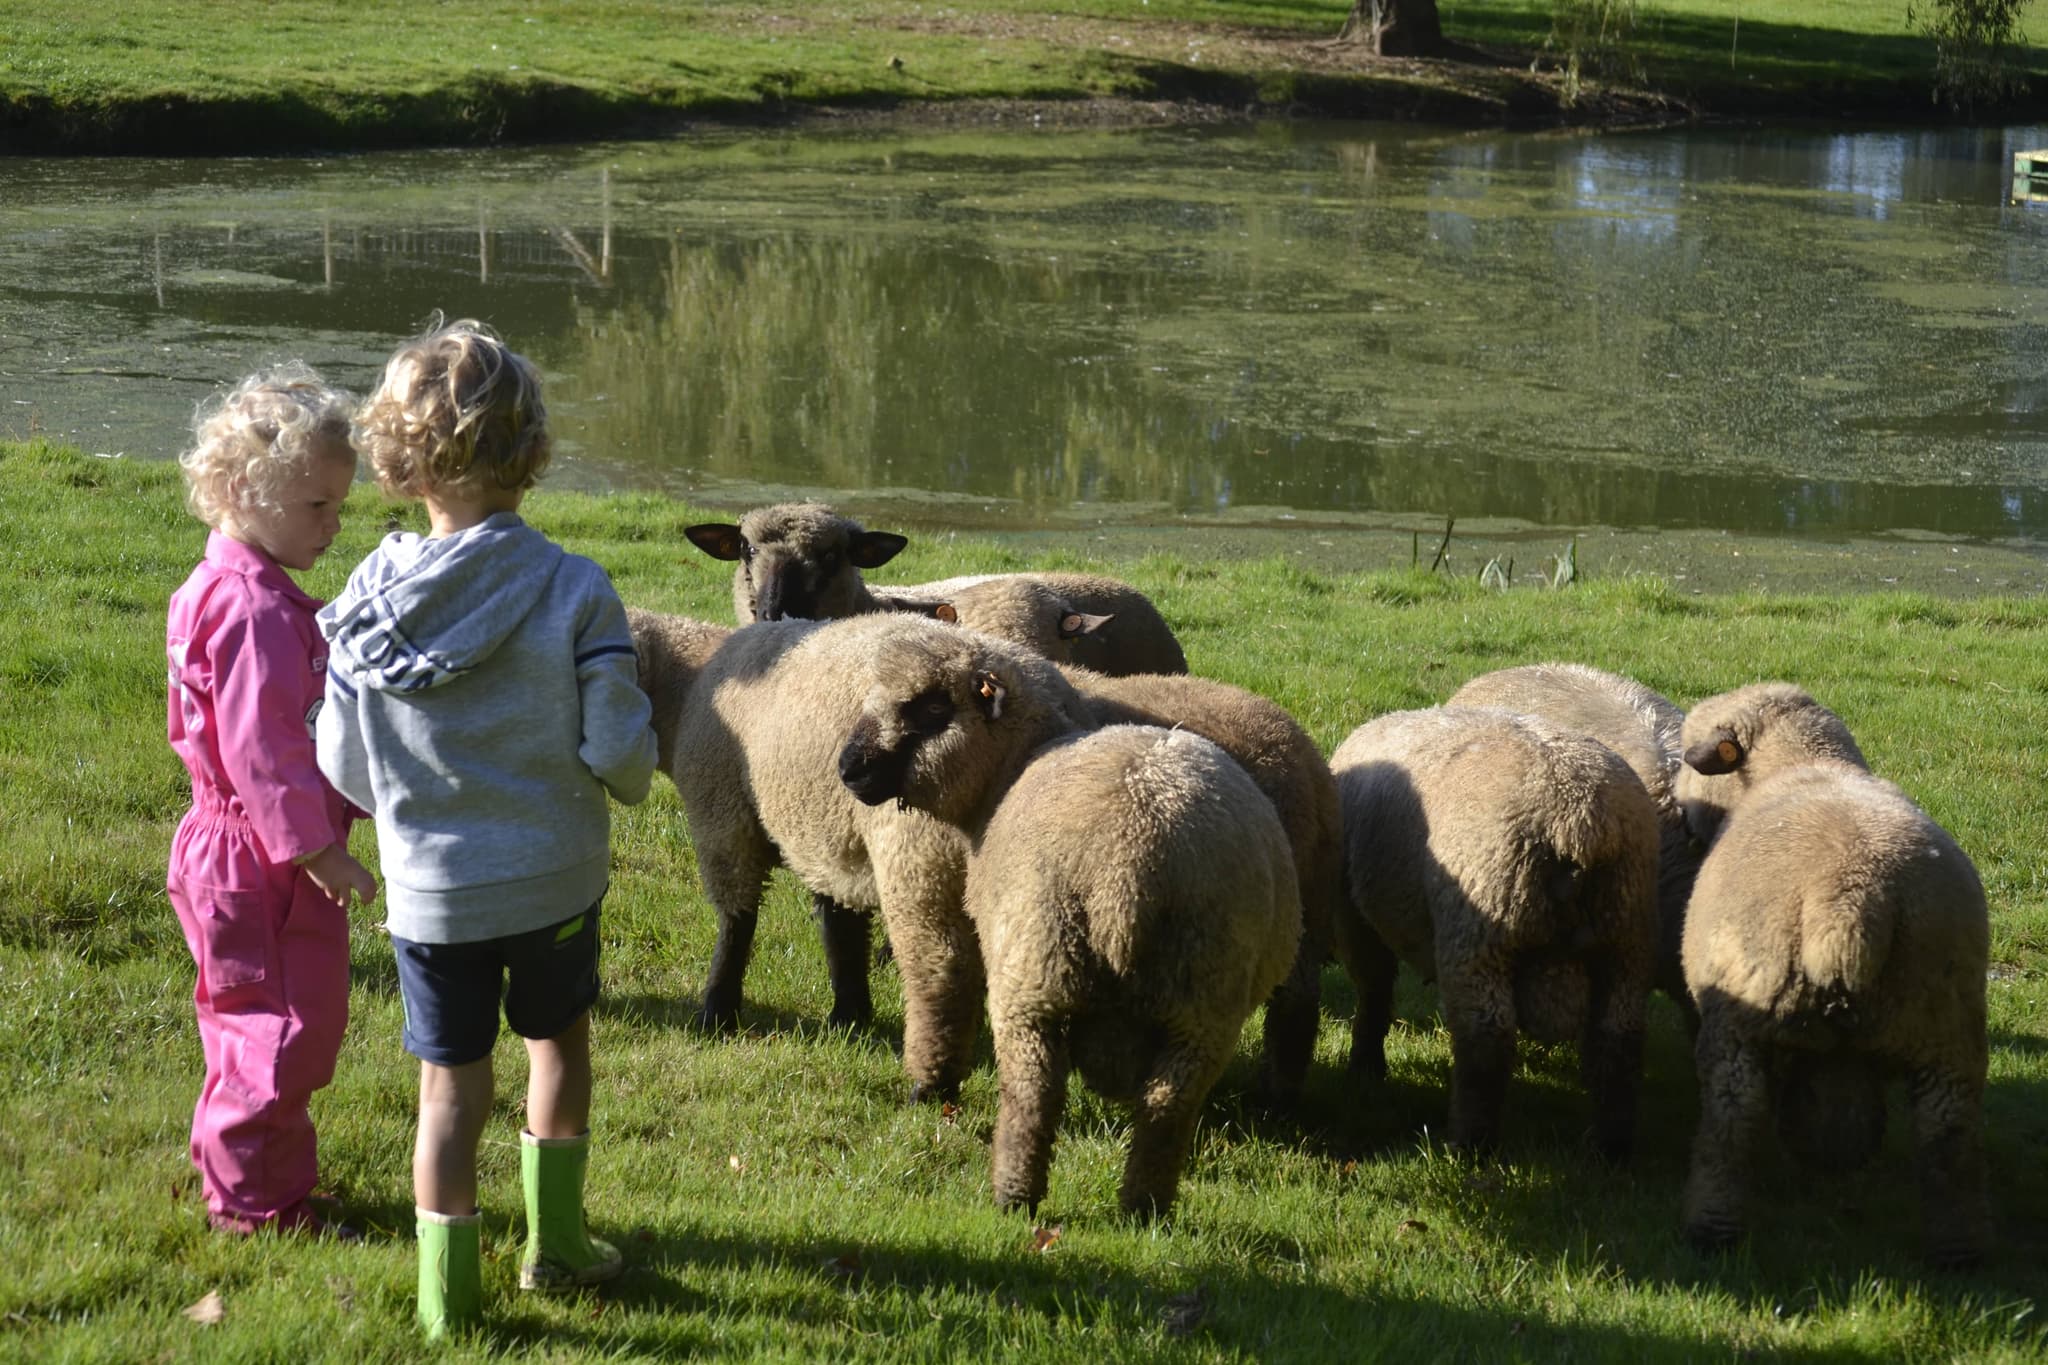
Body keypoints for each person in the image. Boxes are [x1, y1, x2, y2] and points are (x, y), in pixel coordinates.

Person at [315, 319, 658, 1337]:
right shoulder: (573, 588)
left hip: (430, 893)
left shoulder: (366, 602)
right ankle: (556, 1249)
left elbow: (342, 764)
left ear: (399, 457)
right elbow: (616, 748)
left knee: (447, 1091)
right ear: (530, 448)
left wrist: (416, 811)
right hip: (551, 876)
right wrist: (631, 773)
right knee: (557, 1046)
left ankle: (443, 1304)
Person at [165, 363, 378, 1239]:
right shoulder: (254, 611)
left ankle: (235, 1168)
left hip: (223, 846)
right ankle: (255, 1206)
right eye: (316, 508)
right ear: (241, 492)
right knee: (283, 1026)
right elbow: (265, 750)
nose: (334, 526)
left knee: (244, 1011)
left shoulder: (220, 582)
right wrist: (319, 849)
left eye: (337, 504)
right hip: (263, 857)